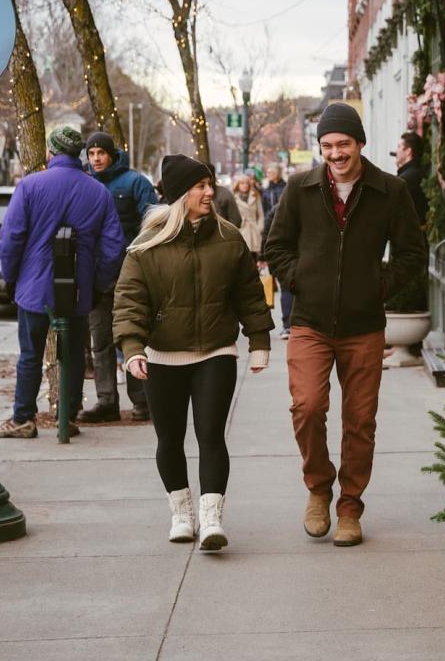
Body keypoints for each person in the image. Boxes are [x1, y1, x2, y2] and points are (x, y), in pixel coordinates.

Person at [263, 103, 428, 547]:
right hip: (311, 323)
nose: (336, 154)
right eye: (328, 146)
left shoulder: (389, 191)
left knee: (360, 420)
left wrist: (376, 286)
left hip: (363, 326)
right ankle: (319, 488)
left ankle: (350, 506)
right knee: (308, 407)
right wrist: (300, 280)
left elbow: (413, 254)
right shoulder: (299, 188)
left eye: (343, 144)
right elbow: (274, 247)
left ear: (359, 144)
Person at [114, 154, 274, 551]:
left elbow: (250, 296)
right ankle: (181, 513)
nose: (209, 191)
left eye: (210, 184)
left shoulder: (228, 238)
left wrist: (259, 341)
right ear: (179, 194)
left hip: (216, 353)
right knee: (169, 439)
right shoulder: (146, 245)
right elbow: (129, 302)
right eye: (200, 186)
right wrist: (133, 349)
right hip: (163, 356)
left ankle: (211, 518)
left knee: (211, 436)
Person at [0, 126, 124, 438]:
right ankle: (68, 416)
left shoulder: (29, 186)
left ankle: (23, 417)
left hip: (33, 287)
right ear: (79, 154)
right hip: (79, 288)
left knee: (30, 355)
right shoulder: (98, 193)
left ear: (51, 153)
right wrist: (97, 284)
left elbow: (9, 241)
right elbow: (113, 248)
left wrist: (11, 279)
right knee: (74, 356)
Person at [79, 130, 158, 424]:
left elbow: (152, 224)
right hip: (97, 277)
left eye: (101, 153)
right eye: (91, 154)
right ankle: (106, 401)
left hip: (129, 275)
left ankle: (141, 401)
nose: (96, 158)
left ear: (111, 153)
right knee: (100, 340)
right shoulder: (85, 184)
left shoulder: (135, 182)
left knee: (132, 338)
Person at [261, 164, 294, 339]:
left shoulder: (283, 190)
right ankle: (288, 324)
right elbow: (266, 233)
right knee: (287, 289)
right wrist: (263, 255)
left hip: (289, 254)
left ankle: (289, 324)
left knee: (289, 289)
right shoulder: (268, 195)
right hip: (282, 254)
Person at [392, 132, 429, 224]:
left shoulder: (405, 180)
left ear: (408, 151)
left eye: (399, 146)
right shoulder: (417, 173)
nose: (396, 151)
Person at [230, 173, 264, 257]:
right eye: (242, 183)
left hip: (254, 230)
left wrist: (260, 227)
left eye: (247, 183)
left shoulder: (255, 196)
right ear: (237, 185)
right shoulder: (233, 198)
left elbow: (260, 214)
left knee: (254, 257)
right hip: (241, 230)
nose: (245, 185)